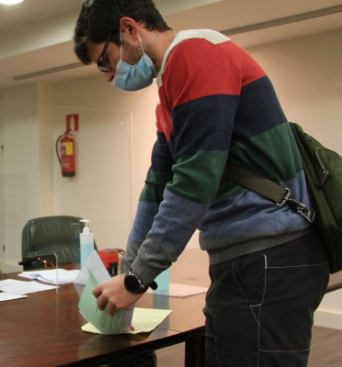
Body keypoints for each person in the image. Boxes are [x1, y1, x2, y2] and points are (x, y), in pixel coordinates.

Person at [73, 1, 330, 366]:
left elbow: (194, 181)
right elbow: (156, 189)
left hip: (269, 255)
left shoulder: (195, 54)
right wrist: (129, 270)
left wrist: (135, 281)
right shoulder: (168, 92)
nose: (109, 75)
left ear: (129, 29)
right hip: (244, 259)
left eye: (105, 61)